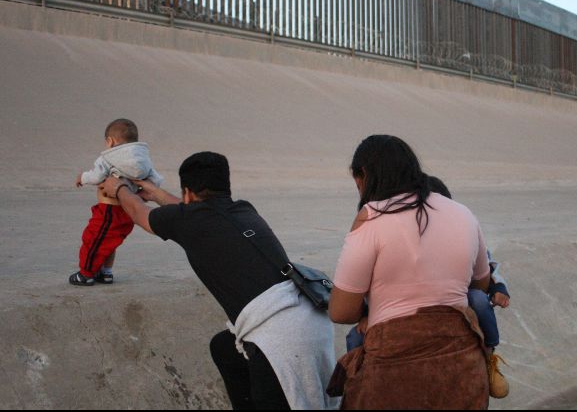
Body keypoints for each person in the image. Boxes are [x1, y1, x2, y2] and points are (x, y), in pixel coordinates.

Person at [101, 152, 339, 410]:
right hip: (313, 321)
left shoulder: (188, 220)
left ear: (188, 193)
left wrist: (121, 188)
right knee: (225, 348)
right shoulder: (244, 210)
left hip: (279, 337)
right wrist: (157, 194)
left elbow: (139, 214)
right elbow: (189, 213)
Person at [327, 135, 490, 410]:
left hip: (394, 376)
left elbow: (340, 311)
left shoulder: (372, 218)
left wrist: (368, 313)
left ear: (363, 175)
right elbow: (481, 282)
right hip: (463, 372)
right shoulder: (463, 213)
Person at [342, 174, 512, 399]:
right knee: (354, 338)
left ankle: (489, 354)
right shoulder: (398, 242)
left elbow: (487, 269)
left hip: (455, 306)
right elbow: (374, 288)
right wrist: (366, 314)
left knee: (479, 300)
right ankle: (358, 382)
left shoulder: (461, 235)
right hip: (405, 313)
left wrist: (499, 289)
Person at [70, 118, 164, 286]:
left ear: (110, 141)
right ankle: (106, 273)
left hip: (108, 210)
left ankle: (85, 274)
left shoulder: (109, 157)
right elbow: (155, 181)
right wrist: (141, 194)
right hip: (127, 210)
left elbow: (97, 176)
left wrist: (82, 178)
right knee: (111, 242)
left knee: (93, 239)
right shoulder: (143, 159)